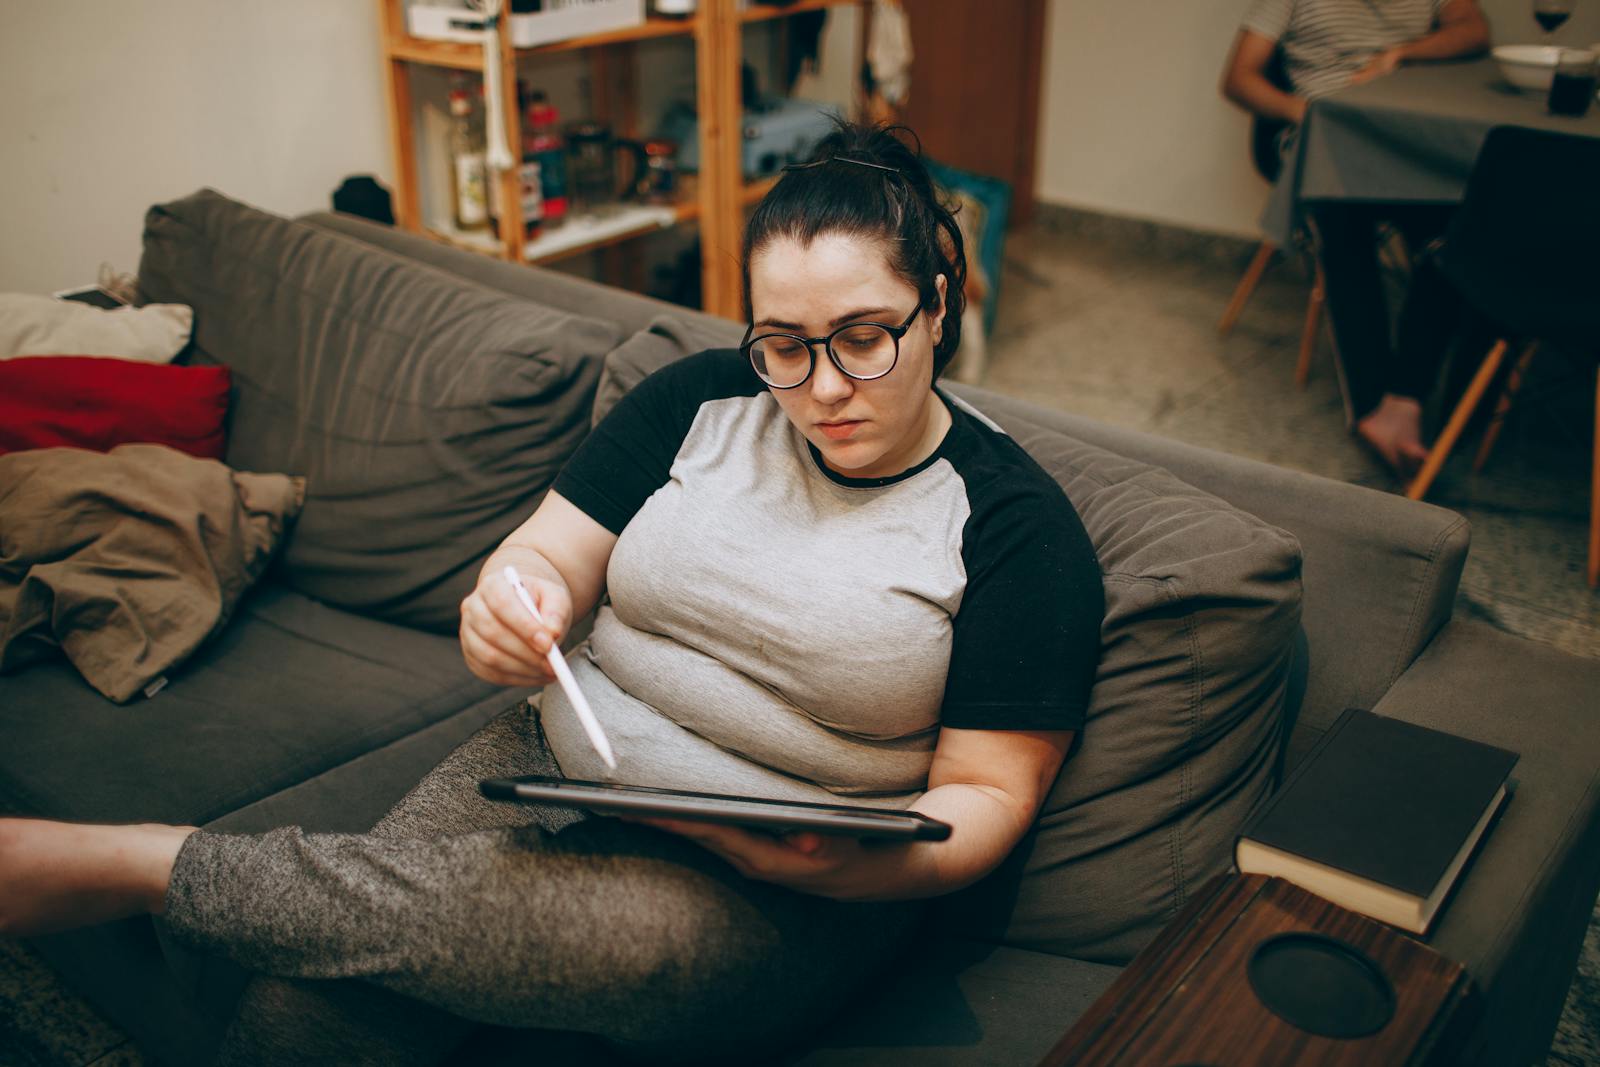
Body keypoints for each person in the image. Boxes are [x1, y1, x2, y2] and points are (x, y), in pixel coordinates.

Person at [0, 123, 1105, 1063]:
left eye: (863, 339)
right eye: (782, 345)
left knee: (654, 957)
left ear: (940, 302)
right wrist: (507, 601)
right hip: (559, 757)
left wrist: (861, 863)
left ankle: (148, 865)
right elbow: (545, 558)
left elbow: (986, 797)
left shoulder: (1015, 528)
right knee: (304, 1014)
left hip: (805, 880)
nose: (819, 389)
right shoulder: (697, 402)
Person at [1220, 0, 1490, 476]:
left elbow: (1474, 30)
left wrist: (1402, 54)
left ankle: (1405, 396)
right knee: (1340, 216)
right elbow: (1238, 78)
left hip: (1406, 141)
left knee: (1465, 226)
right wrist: (1303, 112)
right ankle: (1374, 405)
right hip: (1327, 140)